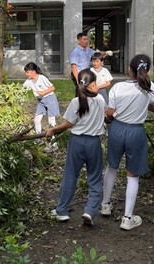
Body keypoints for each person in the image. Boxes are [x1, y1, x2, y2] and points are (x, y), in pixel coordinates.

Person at [100, 55, 154, 231]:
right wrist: (140, 104)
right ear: (147, 71)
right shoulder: (149, 87)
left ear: (129, 69)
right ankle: (127, 218)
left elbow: (110, 113)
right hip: (136, 132)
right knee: (133, 175)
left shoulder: (118, 87)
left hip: (117, 130)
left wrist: (111, 118)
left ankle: (105, 204)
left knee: (112, 167)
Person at [46, 68, 107, 226]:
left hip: (77, 142)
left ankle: (62, 211)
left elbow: (69, 124)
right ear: (93, 84)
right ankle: (90, 211)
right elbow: (107, 117)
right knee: (95, 178)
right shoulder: (100, 99)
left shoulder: (76, 101)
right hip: (94, 143)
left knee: (70, 175)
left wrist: (52, 129)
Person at [23, 62, 60, 151]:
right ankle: (38, 139)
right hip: (41, 101)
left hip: (50, 99)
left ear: (34, 71)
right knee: (37, 119)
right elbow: (22, 89)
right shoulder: (28, 81)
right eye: (26, 72)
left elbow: (52, 88)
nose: (26, 74)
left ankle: (54, 144)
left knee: (51, 122)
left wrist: (43, 92)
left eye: (28, 72)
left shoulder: (42, 78)